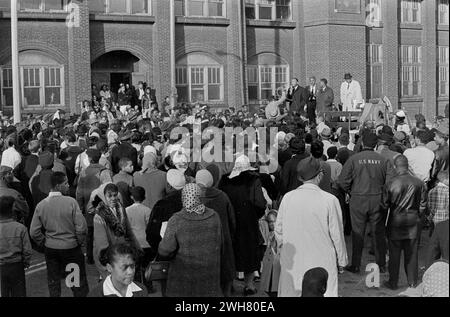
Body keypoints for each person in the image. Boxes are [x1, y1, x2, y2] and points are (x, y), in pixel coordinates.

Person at [275, 157, 347, 297]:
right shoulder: (330, 200)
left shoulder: (288, 197)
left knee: (292, 292)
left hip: (293, 260)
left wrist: (284, 252)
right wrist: (342, 260)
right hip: (321, 261)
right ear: (320, 175)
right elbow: (337, 234)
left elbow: (279, 230)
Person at [339, 132, 395, 273]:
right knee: (378, 232)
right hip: (377, 199)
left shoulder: (354, 159)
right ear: (376, 145)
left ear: (362, 143)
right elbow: (390, 182)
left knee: (358, 232)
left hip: (358, 199)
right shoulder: (383, 160)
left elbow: (342, 181)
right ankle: (381, 264)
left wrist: (351, 191)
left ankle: (356, 264)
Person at [30, 172, 89, 297]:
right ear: (58, 186)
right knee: (76, 283)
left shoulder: (41, 205)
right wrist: (78, 241)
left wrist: (44, 242)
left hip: (51, 249)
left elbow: (34, 231)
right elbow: (81, 227)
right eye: (66, 183)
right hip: (71, 249)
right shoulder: (71, 202)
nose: (68, 186)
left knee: (54, 283)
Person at [158, 183, 223, 297]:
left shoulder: (176, 220)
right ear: (199, 197)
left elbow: (165, 250)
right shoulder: (214, 216)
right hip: (209, 274)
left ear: (184, 198)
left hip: (184, 276)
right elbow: (220, 243)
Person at [219, 155, 267, 295]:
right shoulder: (254, 180)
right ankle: (249, 285)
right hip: (248, 221)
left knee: (231, 252)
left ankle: (230, 284)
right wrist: (254, 215)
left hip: (229, 220)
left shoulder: (225, 180)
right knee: (249, 252)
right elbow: (260, 203)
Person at [382, 155, 427, 290]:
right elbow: (423, 205)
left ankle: (393, 282)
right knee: (412, 253)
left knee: (394, 254)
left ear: (396, 167)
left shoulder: (390, 183)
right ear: (407, 166)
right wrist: (417, 215)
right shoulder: (419, 183)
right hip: (413, 221)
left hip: (395, 221)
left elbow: (384, 205)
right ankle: (412, 282)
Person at [196, 169, 236, 297]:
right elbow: (232, 220)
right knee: (225, 276)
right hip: (223, 239)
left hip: (202, 243)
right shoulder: (223, 196)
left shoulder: (194, 197)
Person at [93, 183, 141, 279]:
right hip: (110, 257)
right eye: (109, 196)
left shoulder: (121, 209)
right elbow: (101, 244)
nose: (113, 198)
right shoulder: (99, 216)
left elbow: (128, 231)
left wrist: (137, 248)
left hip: (122, 254)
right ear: (104, 197)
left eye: (115, 195)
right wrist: (108, 262)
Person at [0, 196, 32, 297]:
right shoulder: (20, 228)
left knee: (3, 292)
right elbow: (27, 250)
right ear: (13, 210)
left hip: (1, 266)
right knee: (19, 292)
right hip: (16, 265)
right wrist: (26, 262)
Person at [125, 186, 152, 283]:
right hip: (146, 242)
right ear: (144, 197)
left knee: (134, 266)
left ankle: (136, 285)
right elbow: (150, 227)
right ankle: (148, 285)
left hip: (133, 243)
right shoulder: (147, 210)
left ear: (131, 197)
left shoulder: (127, 210)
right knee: (147, 267)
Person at [259, 210, 281, 297]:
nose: (271, 224)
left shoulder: (280, 234)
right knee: (269, 289)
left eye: (274, 221)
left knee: (275, 289)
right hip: (269, 267)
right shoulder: (270, 234)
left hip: (276, 266)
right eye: (269, 222)